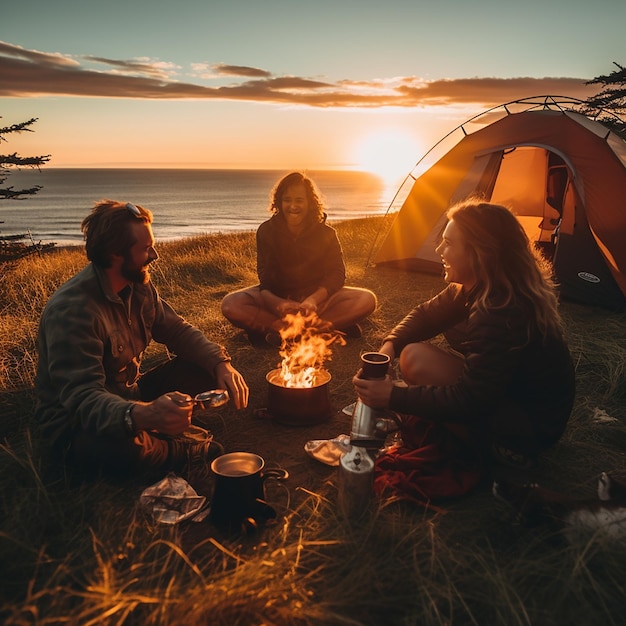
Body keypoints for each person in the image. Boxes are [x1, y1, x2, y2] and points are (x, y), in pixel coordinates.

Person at [353, 198, 576, 481]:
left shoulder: (500, 308)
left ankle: (502, 450)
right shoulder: (481, 283)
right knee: (411, 355)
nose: (439, 250)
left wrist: (392, 396)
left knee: (419, 365)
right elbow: (426, 315)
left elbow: (471, 400)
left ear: (479, 253)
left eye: (448, 243)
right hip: (508, 397)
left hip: (529, 426)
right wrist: (389, 348)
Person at [35, 199, 249, 478]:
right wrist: (146, 415)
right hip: (79, 425)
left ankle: (159, 431)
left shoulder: (138, 286)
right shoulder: (73, 312)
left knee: (203, 365)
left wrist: (221, 363)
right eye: (146, 249)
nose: (155, 256)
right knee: (115, 449)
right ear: (115, 254)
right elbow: (83, 399)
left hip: (131, 396)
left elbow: (176, 330)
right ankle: (179, 450)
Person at [221, 171, 377, 346]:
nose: (293, 206)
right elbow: (264, 275)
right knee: (230, 304)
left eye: (299, 200)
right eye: (287, 200)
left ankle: (285, 332)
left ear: (310, 203)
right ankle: (311, 329)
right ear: (279, 202)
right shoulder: (266, 231)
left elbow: (337, 274)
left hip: (316, 302)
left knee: (367, 299)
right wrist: (278, 304)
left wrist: (313, 300)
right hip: (278, 300)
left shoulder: (327, 234)